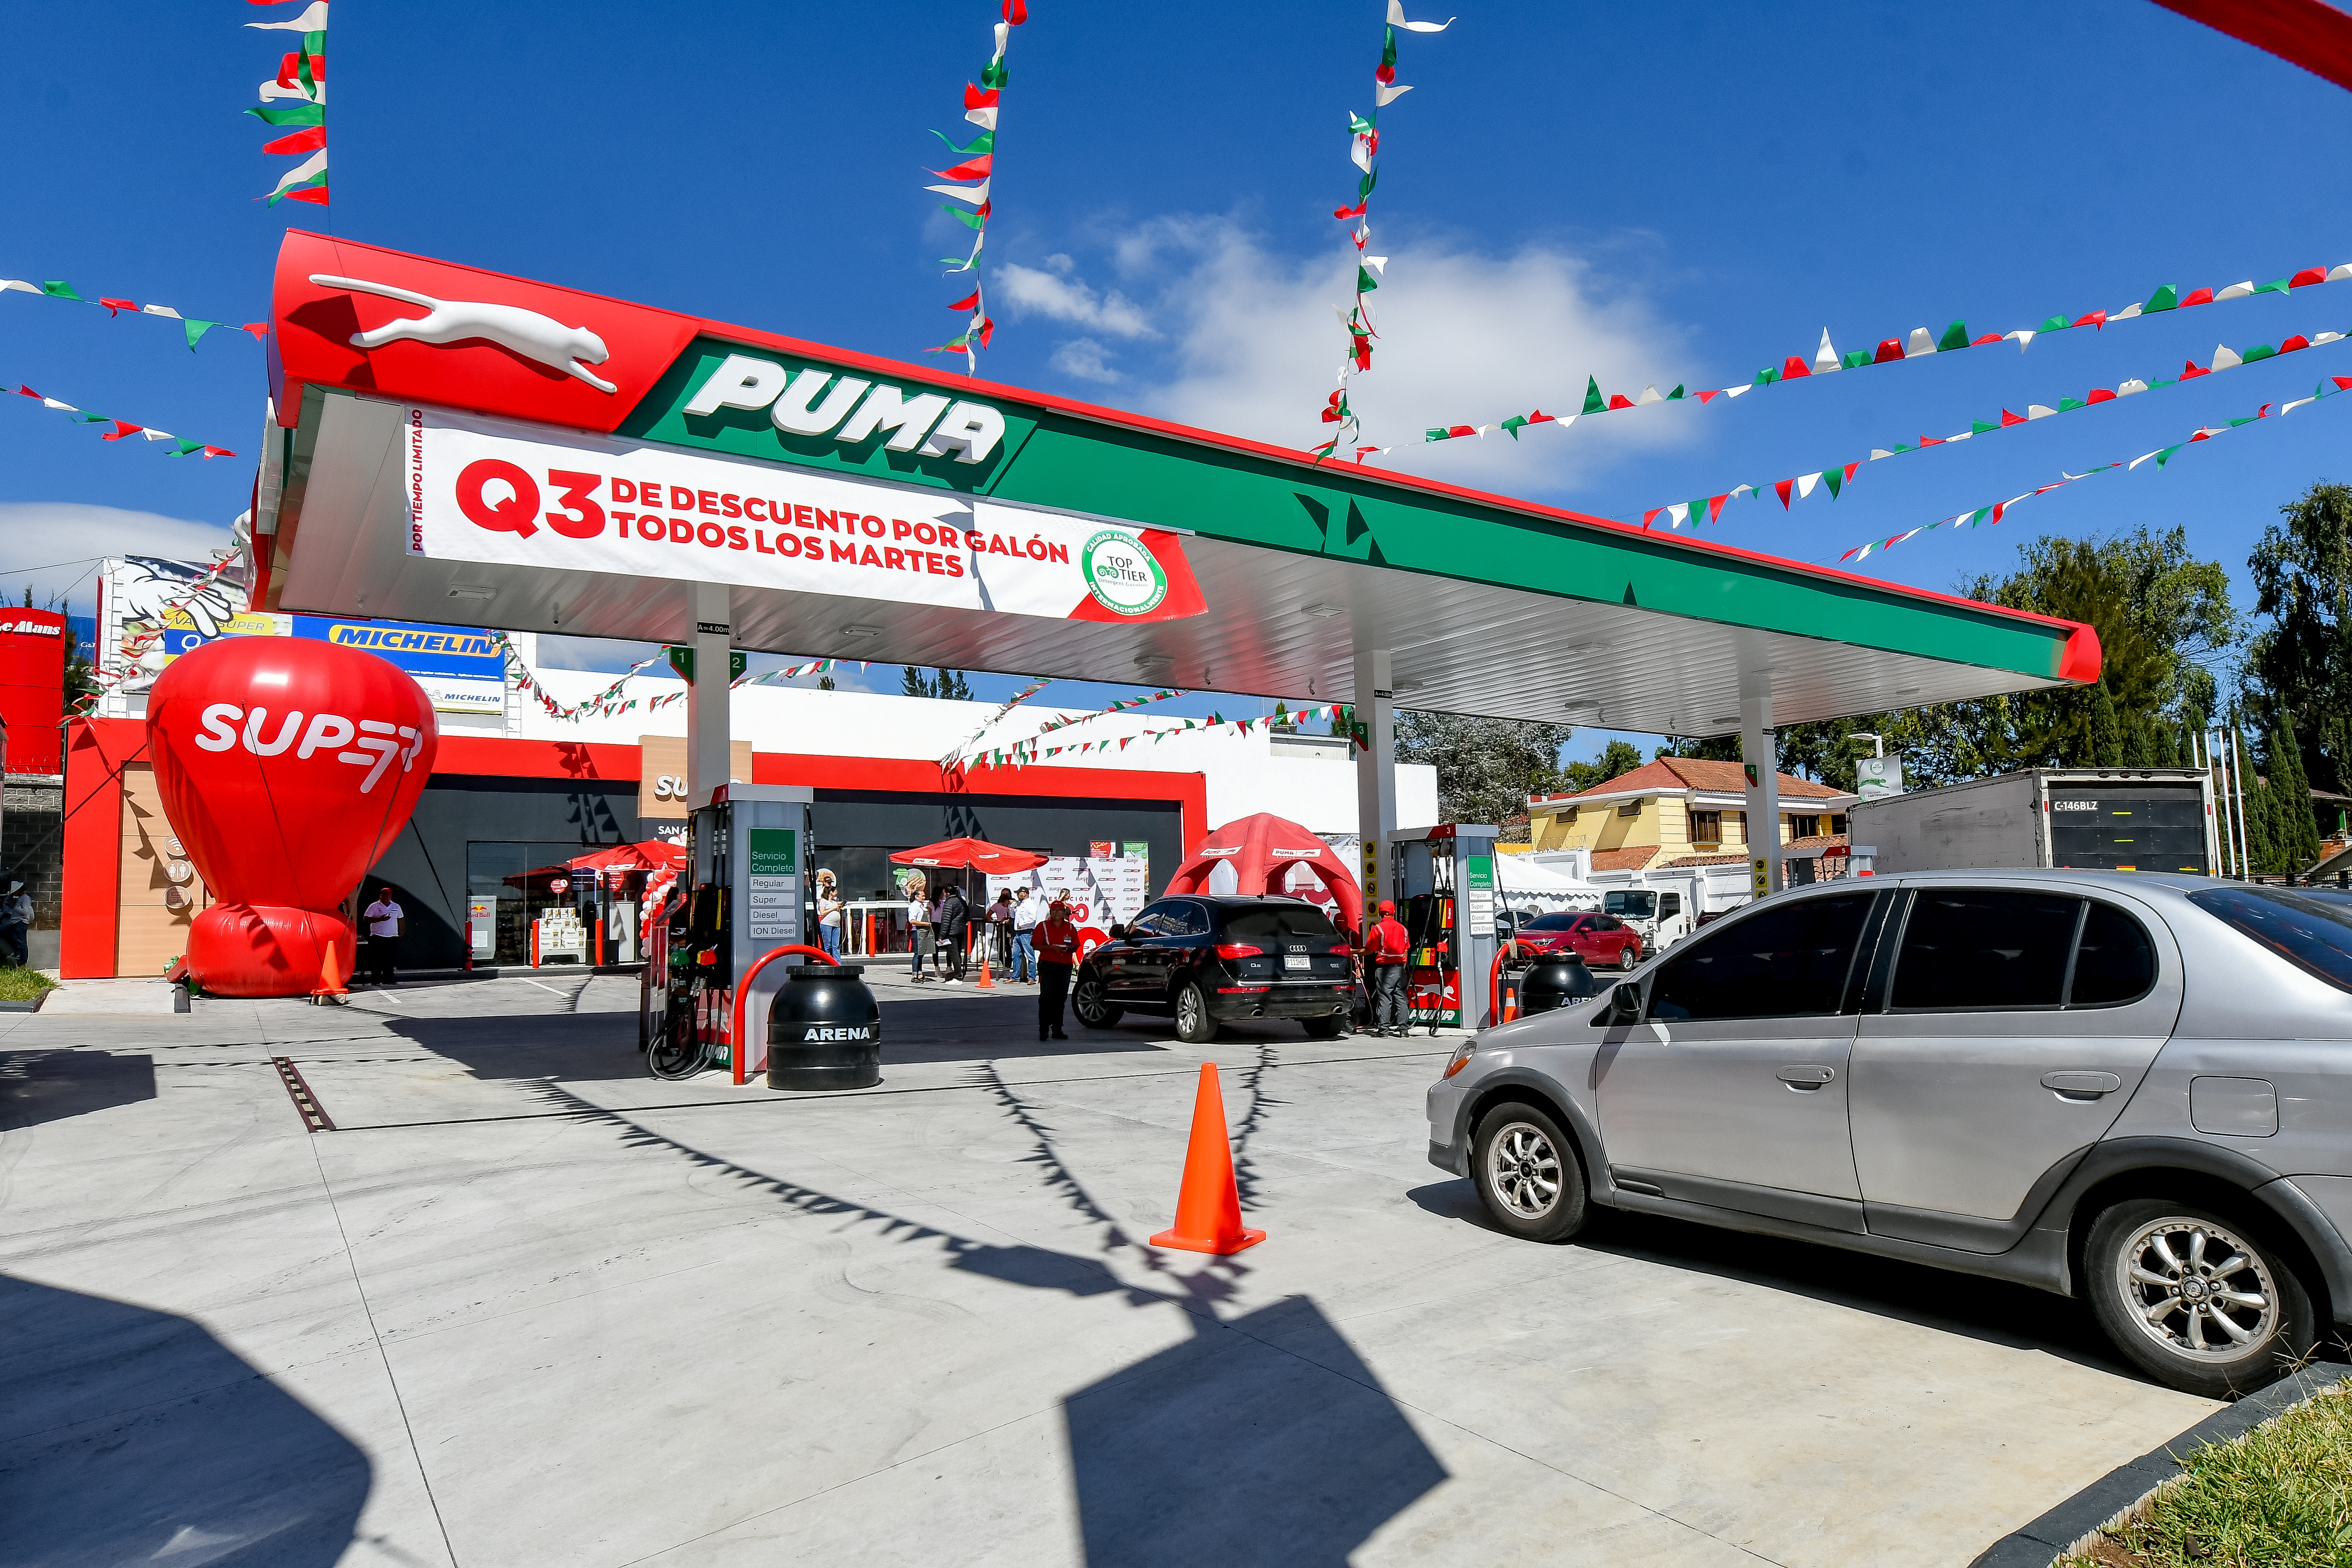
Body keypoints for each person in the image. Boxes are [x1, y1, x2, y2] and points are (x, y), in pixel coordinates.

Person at [1364, 898, 1411, 1037]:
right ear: (1394, 912)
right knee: (1401, 998)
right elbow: (1406, 950)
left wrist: (1354, 951)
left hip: (1385, 969)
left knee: (1385, 998)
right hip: (1400, 968)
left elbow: (1369, 950)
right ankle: (1404, 1031)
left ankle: (1384, 1030)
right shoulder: (1403, 929)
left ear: (1380, 913)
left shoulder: (1378, 929)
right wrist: (1402, 966)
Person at [1034, 898, 1079, 1040]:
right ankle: (1044, 1030)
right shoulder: (1043, 927)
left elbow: (1076, 945)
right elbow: (1035, 945)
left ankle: (1058, 1030)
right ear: (1051, 912)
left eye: (1060, 910)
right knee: (1046, 997)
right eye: (1054, 911)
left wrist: (1069, 949)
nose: (1057, 913)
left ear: (1064, 912)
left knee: (1060, 999)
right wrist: (1052, 948)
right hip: (1048, 964)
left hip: (1065, 966)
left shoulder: (1071, 928)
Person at [361, 886, 406, 985]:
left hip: (391, 937)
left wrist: (402, 930)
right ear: (380, 895)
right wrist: (380, 920)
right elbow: (366, 920)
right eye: (383, 894)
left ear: (391, 896)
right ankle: (376, 980)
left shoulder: (396, 907)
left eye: (387, 894)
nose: (385, 896)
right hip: (377, 936)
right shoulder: (374, 906)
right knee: (376, 959)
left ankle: (389, 980)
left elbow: (401, 918)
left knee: (389, 959)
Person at [1011, 885, 1044, 983]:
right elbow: (1013, 916)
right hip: (1018, 933)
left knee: (1030, 956)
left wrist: (1021, 924)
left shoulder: (1031, 905)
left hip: (1026, 933)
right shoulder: (1020, 904)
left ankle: (1032, 978)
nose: (1018, 895)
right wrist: (1012, 908)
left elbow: (1032, 918)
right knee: (1016, 955)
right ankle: (1015, 977)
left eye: (1019, 893)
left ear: (1025, 893)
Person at [939, 883, 970, 982]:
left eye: (944, 892)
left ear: (947, 893)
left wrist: (942, 935)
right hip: (961, 930)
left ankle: (958, 976)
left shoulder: (949, 903)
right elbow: (967, 916)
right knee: (958, 953)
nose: (943, 894)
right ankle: (959, 972)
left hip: (952, 932)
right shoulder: (962, 901)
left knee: (954, 954)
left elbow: (946, 920)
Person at [904, 878, 932, 981]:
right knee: (917, 954)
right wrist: (925, 923)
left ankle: (920, 974)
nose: (924, 898)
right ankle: (914, 975)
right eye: (922, 896)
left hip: (923, 931)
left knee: (921, 954)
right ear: (916, 897)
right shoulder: (914, 906)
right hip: (917, 931)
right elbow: (912, 920)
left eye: (924, 896)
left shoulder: (921, 906)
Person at [0, 878, 29, 967]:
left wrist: (14, 907)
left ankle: (23, 962)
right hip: (14, 923)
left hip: (21, 923)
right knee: (16, 943)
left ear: (19, 890)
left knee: (21, 943)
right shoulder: (17, 899)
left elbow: (26, 912)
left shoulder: (26, 898)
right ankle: (18, 960)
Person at [815, 870, 843, 960]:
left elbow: (837, 910)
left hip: (836, 925)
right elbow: (822, 911)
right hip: (826, 923)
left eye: (830, 883)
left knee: (836, 945)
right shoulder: (822, 897)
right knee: (828, 944)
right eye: (828, 883)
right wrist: (834, 908)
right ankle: (827, 961)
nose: (829, 884)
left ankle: (838, 963)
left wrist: (839, 907)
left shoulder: (835, 901)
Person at [986, 889, 1015, 972]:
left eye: (1008, 895)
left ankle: (1009, 964)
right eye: (1004, 895)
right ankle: (1005, 964)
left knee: (1009, 947)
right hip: (1001, 928)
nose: (1006, 897)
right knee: (1001, 947)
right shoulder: (997, 906)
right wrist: (995, 922)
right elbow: (988, 915)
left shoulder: (1012, 905)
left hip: (1011, 928)